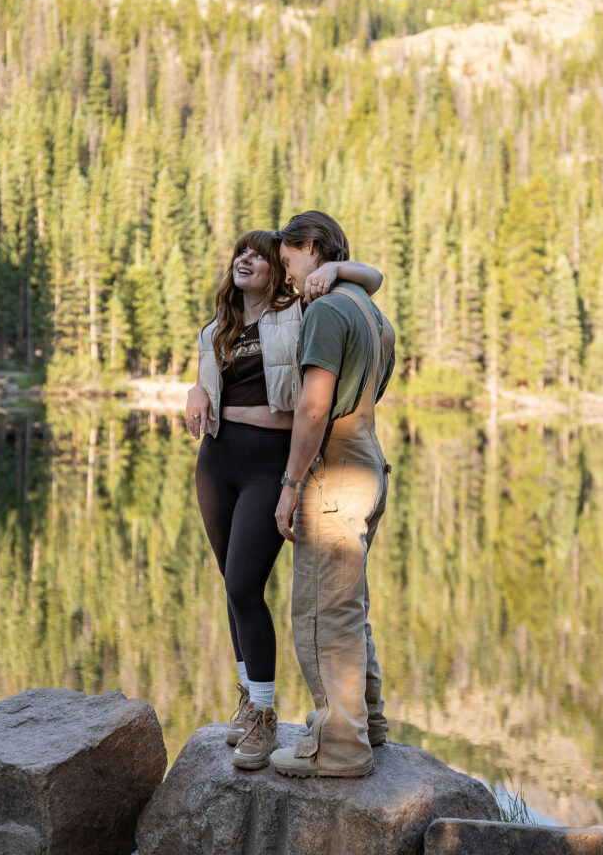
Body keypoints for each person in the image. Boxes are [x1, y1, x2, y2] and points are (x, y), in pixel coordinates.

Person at [185, 229, 383, 771]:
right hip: (216, 461)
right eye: (239, 253)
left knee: (247, 584)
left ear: (278, 269)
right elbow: (209, 384)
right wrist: (195, 389)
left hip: (269, 463)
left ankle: (266, 717)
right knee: (232, 583)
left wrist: (335, 271)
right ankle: (250, 698)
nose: (245, 259)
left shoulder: (298, 312)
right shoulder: (215, 329)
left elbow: (374, 280)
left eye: (258, 254)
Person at [269, 210, 395, 779]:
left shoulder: (325, 310)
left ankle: (341, 745)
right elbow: (372, 277)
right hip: (370, 461)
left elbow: (315, 406)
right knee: (349, 606)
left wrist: (291, 484)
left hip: (336, 468)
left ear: (312, 246)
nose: (286, 273)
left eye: (288, 258)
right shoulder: (371, 311)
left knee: (321, 610)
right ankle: (367, 721)